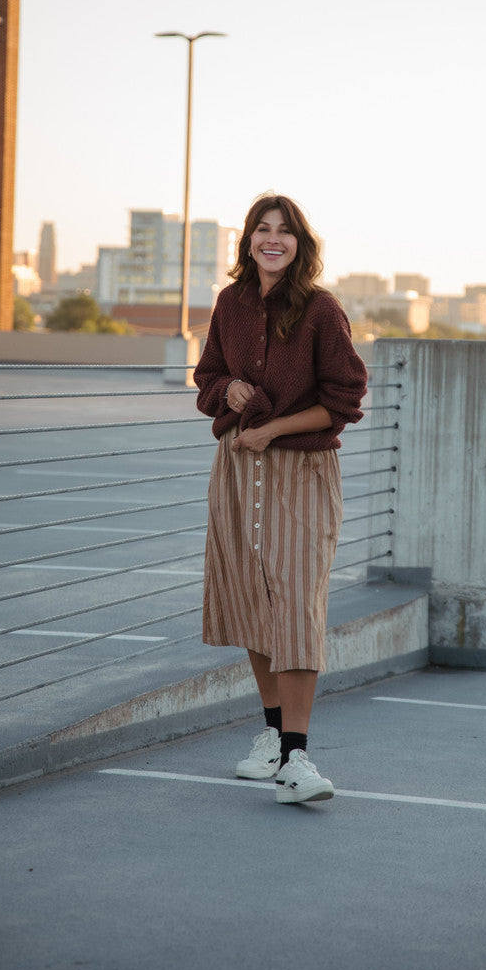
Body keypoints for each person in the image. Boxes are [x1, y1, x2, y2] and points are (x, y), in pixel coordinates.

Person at [194, 193, 368, 804]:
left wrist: (273, 428)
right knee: (252, 599)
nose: (273, 239)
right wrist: (231, 389)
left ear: (300, 243)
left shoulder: (321, 310)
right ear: (247, 241)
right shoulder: (230, 305)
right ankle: (272, 738)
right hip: (240, 473)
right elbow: (206, 377)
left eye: (285, 232)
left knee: (296, 606)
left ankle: (297, 758)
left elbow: (345, 398)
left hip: (301, 473)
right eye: (262, 230)